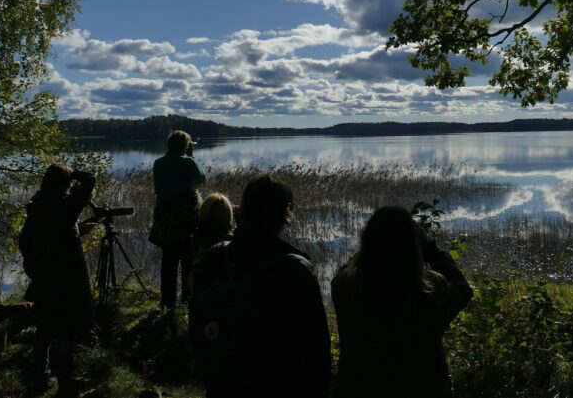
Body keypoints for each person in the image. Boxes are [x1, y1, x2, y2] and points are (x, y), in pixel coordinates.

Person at [189, 174, 331, 398]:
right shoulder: (296, 271)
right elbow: (316, 356)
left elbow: (198, 337)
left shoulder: (209, 261)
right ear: (285, 216)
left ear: (241, 212)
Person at [331, 206, 473, 398]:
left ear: (367, 241)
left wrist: (372, 246)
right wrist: (430, 249)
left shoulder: (345, 288)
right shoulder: (431, 290)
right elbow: (462, 289)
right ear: (413, 246)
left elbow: (346, 271)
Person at [19, 163, 97, 398]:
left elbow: (27, 242)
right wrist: (72, 172)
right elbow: (90, 180)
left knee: (44, 329)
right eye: (68, 183)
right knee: (67, 330)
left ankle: (39, 380)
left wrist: (34, 269)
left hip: (44, 279)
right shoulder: (65, 206)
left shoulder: (37, 205)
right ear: (64, 184)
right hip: (68, 279)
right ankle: (65, 381)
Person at [150, 130, 206, 309]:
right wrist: (191, 155)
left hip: (166, 219)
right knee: (189, 260)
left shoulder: (158, 163)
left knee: (168, 261)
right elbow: (202, 179)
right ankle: (188, 300)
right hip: (187, 218)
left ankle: (167, 302)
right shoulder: (189, 163)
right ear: (185, 146)